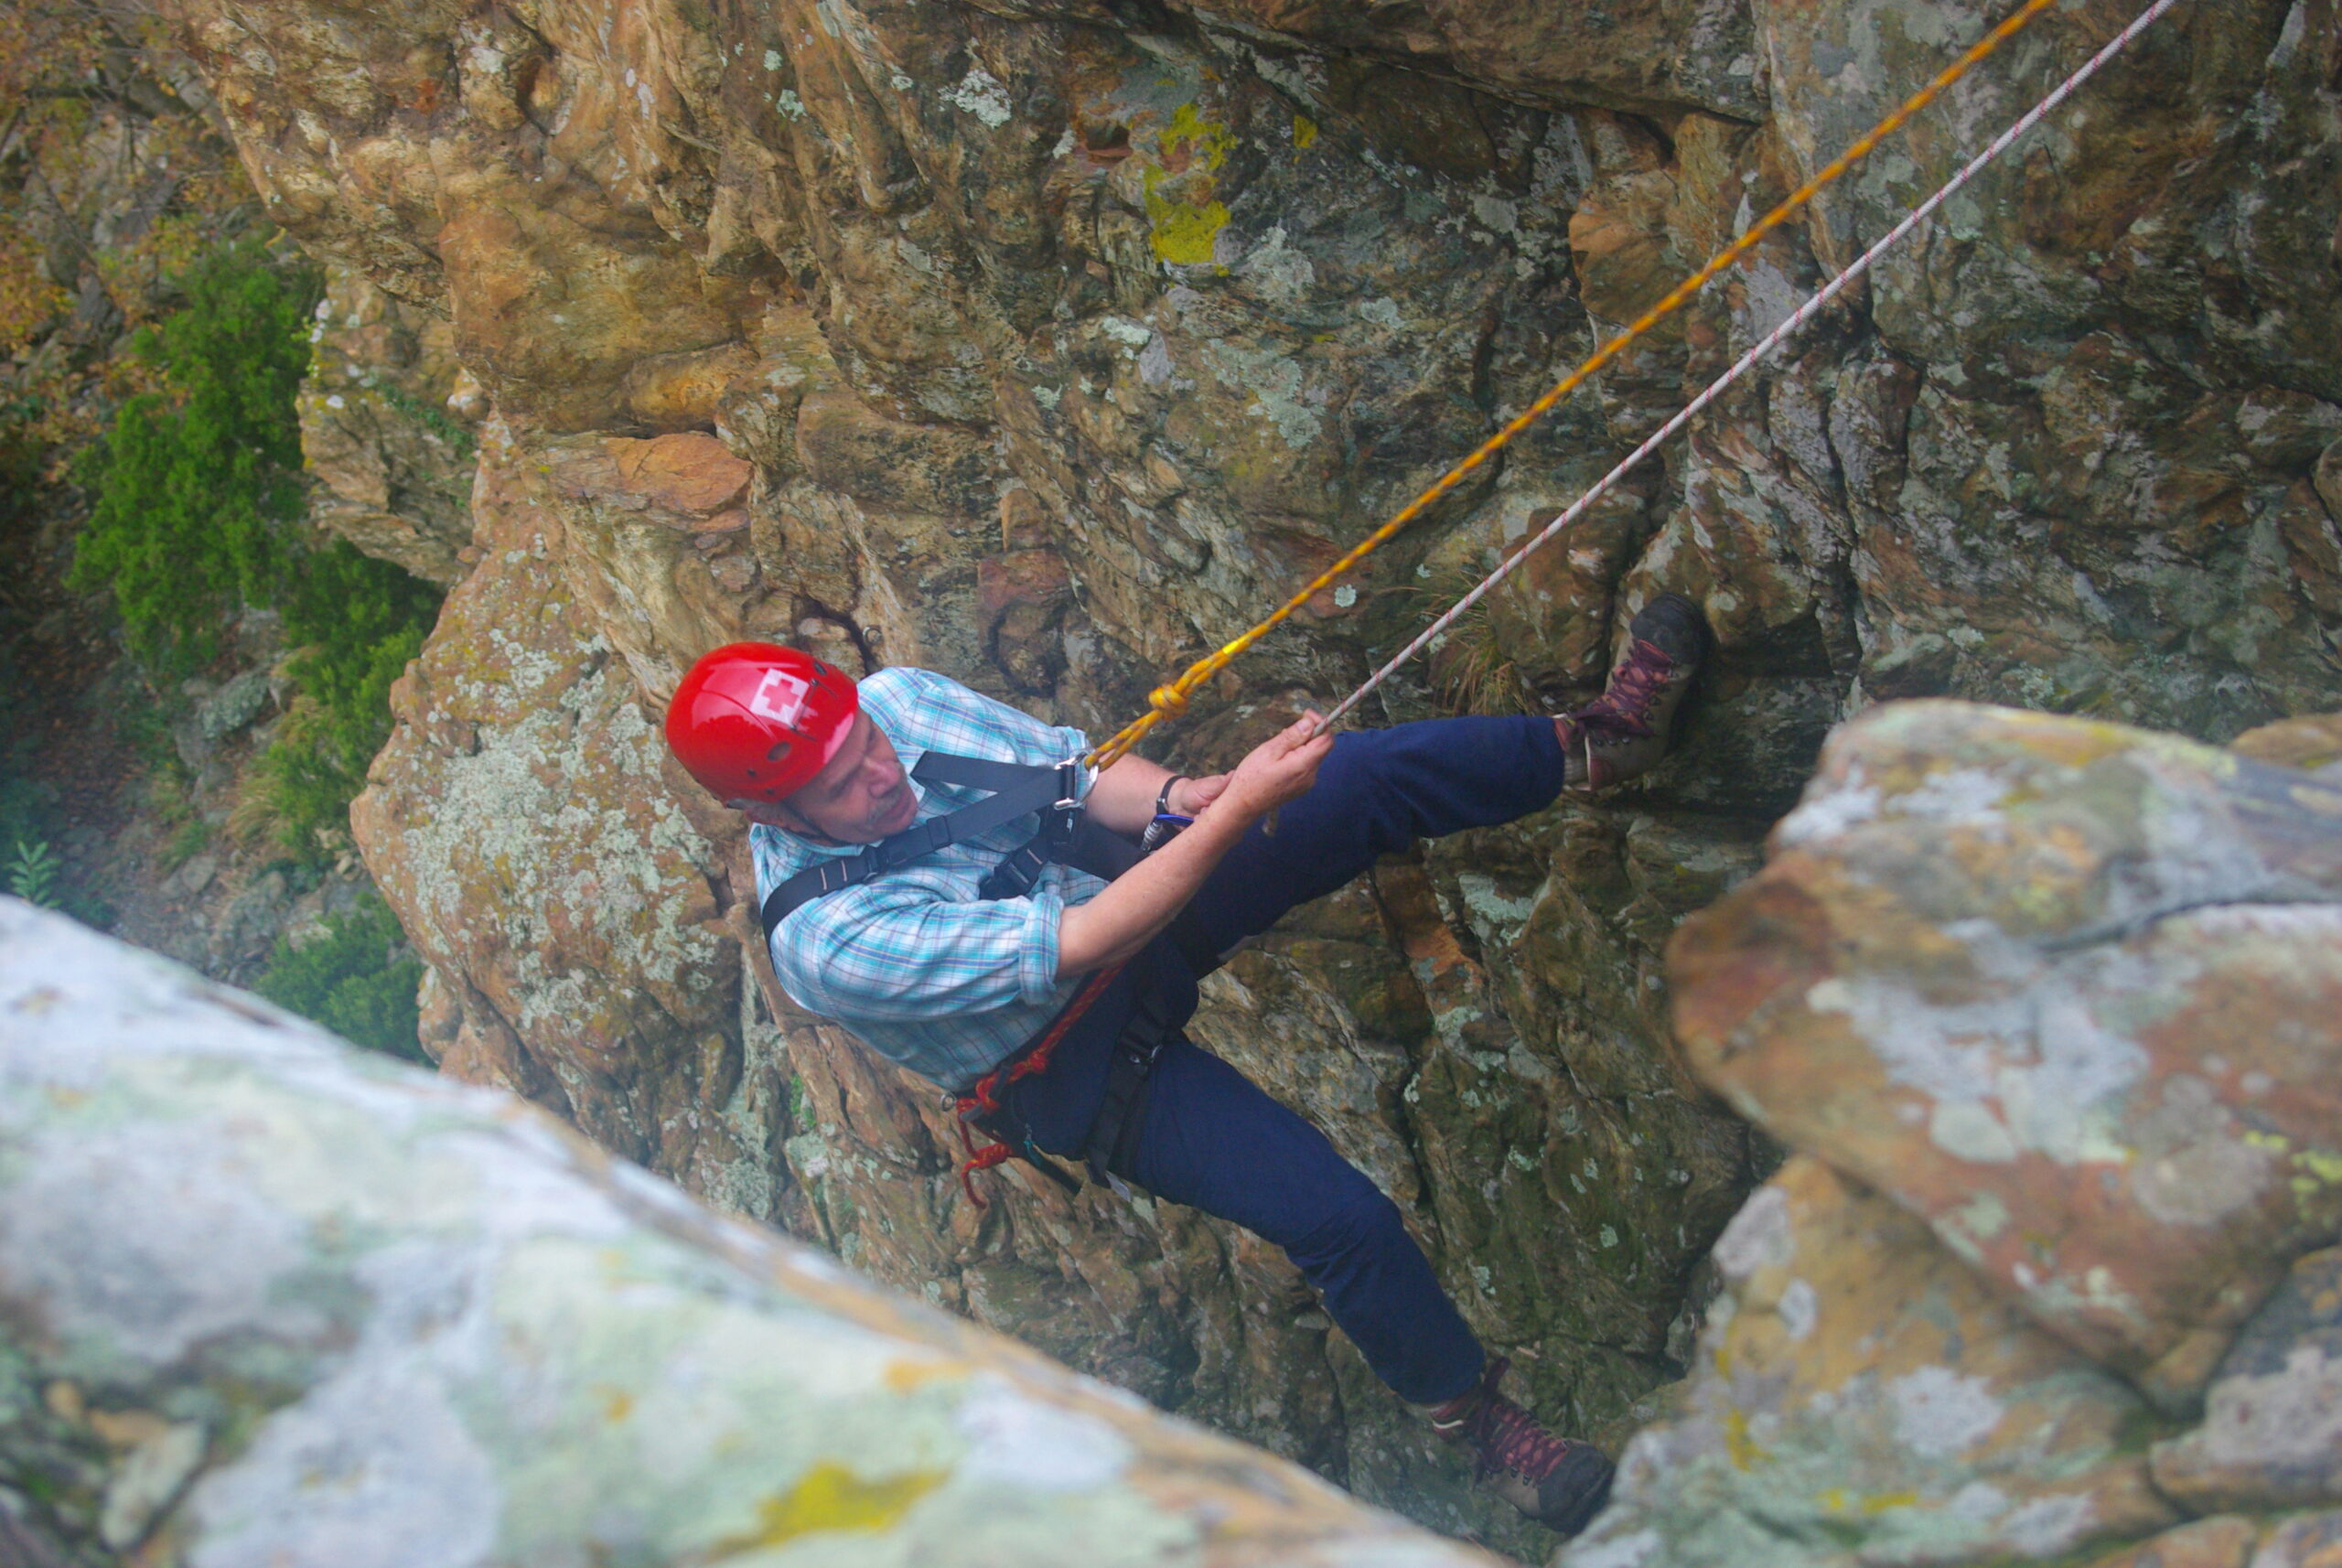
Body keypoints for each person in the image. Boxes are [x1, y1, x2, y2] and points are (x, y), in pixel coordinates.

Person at [662, 595, 1711, 1535]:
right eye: (842, 784)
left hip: (1104, 894)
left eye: (868, 745)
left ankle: (1596, 749)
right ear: (767, 815)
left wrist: (1183, 800)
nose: (881, 772)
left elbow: (1077, 779)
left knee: (1357, 777)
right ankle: (1472, 1421)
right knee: (1336, 1217)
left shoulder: (897, 704)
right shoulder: (827, 940)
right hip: (1075, 1057)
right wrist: (1241, 812)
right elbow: (1086, 942)